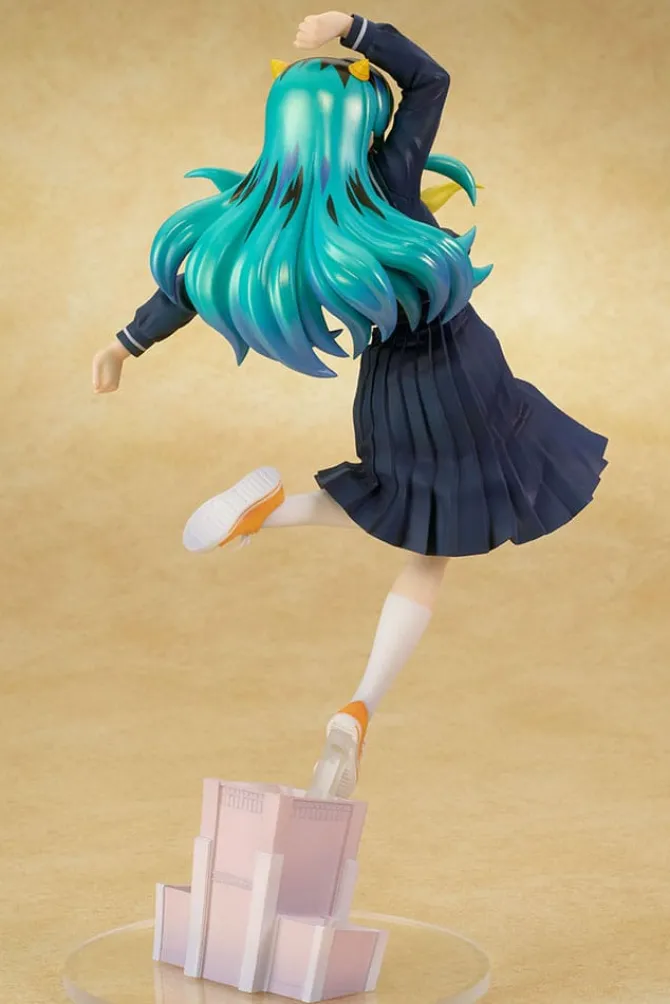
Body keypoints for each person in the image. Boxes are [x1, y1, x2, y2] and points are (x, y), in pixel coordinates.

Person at [92, 12, 608, 801]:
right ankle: (358, 703)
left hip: (387, 395)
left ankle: (275, 526)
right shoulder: (391, 178)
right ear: (361, 122)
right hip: (464, 375)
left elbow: (189, 284)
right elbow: (431, 80)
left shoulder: (262, 212)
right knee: (431, 542)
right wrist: (357, 28)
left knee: (408, 511)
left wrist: (124, 345)